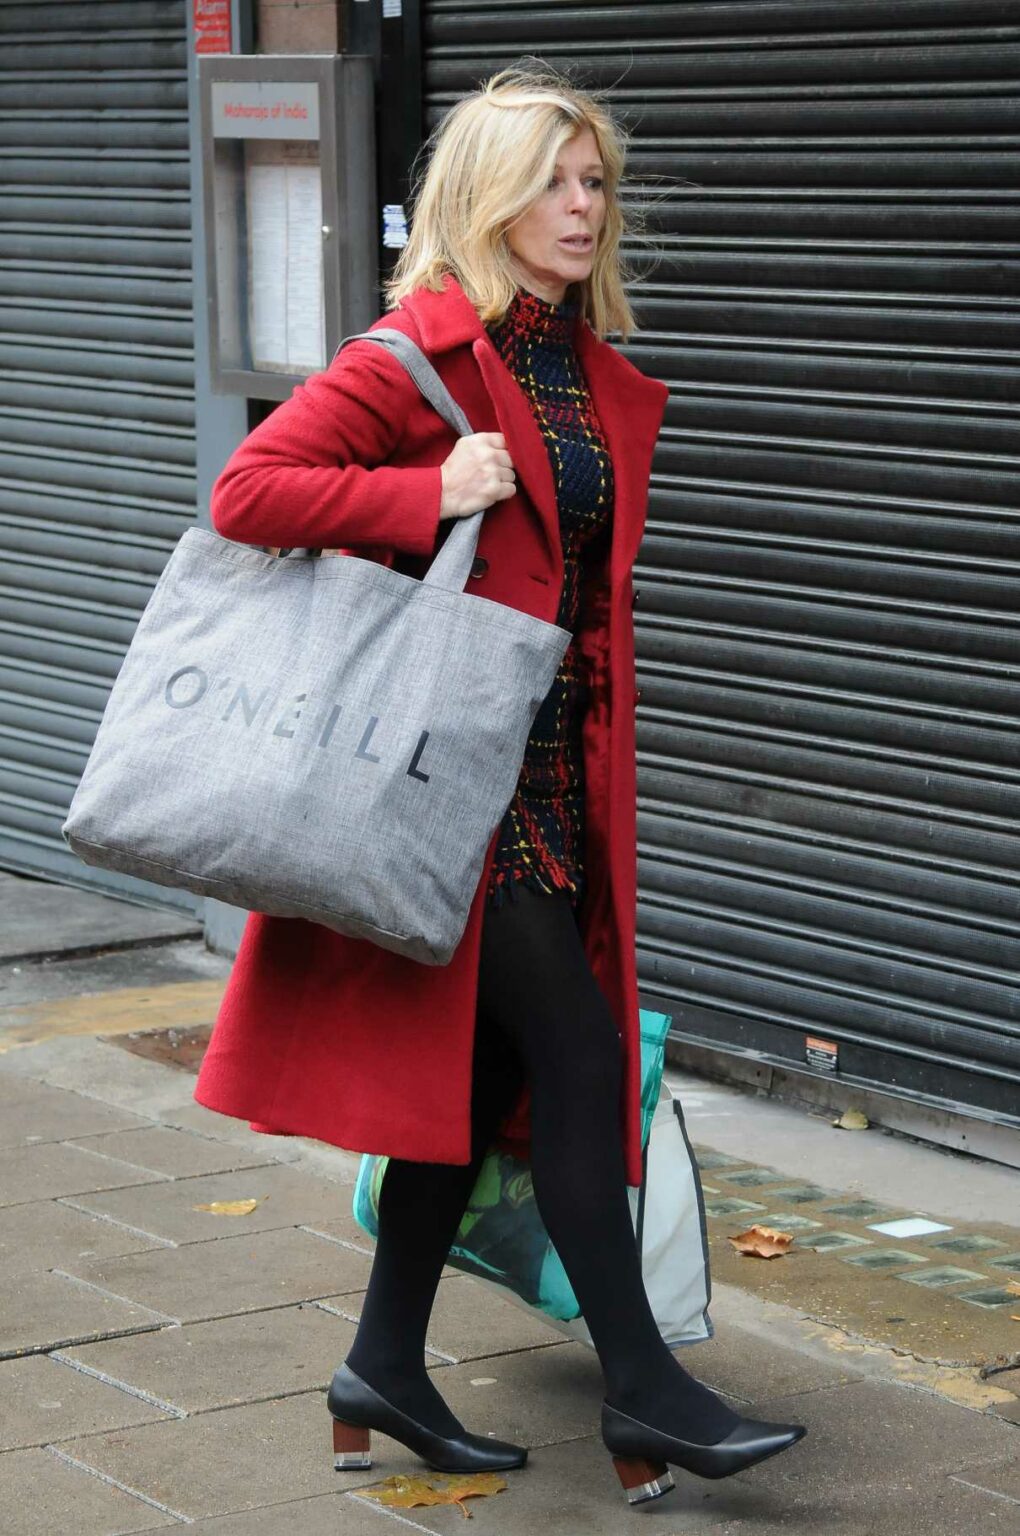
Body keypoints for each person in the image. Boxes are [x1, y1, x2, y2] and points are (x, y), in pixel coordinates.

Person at [193, 63, 806, 1508]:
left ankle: (381, 1370)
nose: (583, 208)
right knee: (580, 1057)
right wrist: (427, 492)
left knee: (477, 1083)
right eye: (553, 183)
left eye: (595, 183)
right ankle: (643, 1386)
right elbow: (246, 494)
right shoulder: (420, 352)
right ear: (487, 197)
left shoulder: (578, 366)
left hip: (555, 763)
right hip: (449, 783)